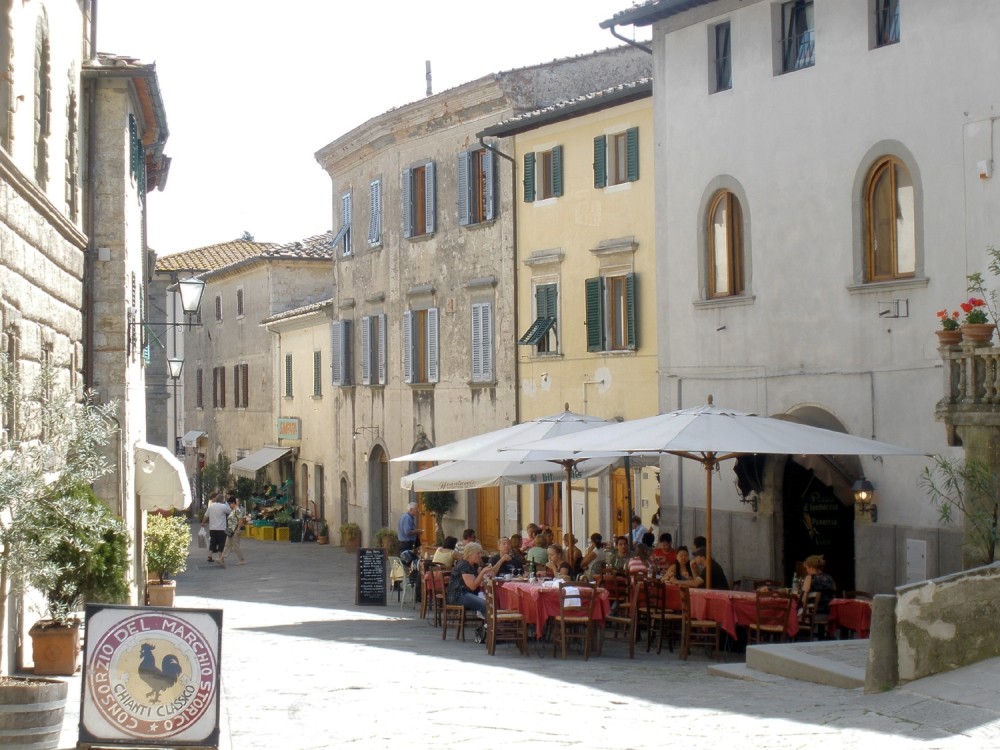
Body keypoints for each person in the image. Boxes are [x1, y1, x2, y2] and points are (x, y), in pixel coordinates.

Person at [445, 542, 496, 617]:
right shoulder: (464, 565)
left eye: (481, 553)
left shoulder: (473, 565)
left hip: (467, 593)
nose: (480, 556)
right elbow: (472, 586)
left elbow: (480, 584)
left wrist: (487, 574)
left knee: (492, 602)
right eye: (478, 553)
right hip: (458, 595)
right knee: (485, 605)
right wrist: (482, 572)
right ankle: (489, 627)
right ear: (469, 554)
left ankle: (489, 625)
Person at [201, 493, 231, 563]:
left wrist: (203, 523)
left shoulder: (211, 506)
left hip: (212, 528)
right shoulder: (223, 506)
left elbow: (206, 516)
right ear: (222, 500)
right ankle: (220, 557)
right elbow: (230, 511)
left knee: (212, 542)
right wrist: (226, 503)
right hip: (221, 528)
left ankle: (209, 556)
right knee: (221, 543)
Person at [218, 496, 246, 565]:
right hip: (231, 531)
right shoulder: (234, 510)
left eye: (230, 504)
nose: (229, 505)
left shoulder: (237, 510)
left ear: (233, 503)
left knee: (235, 546)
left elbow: (240, 520)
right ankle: (221, 558)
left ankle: (242, 560)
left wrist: (238, 529)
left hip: (235, 530)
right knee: (227, 545)